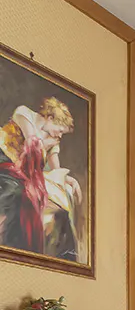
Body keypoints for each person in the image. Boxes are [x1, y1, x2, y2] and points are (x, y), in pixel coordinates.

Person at [0, 96, 82, 259]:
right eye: (60, 130)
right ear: (50, 118)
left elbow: (56, 169)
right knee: (16, 192)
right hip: (4, 159)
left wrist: (70, 179)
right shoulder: (24, 113)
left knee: (57, 210)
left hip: (22, 172)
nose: (59, 135)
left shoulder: (53, 141)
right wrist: (46, 143)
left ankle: (67, 256)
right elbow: (32, 141)